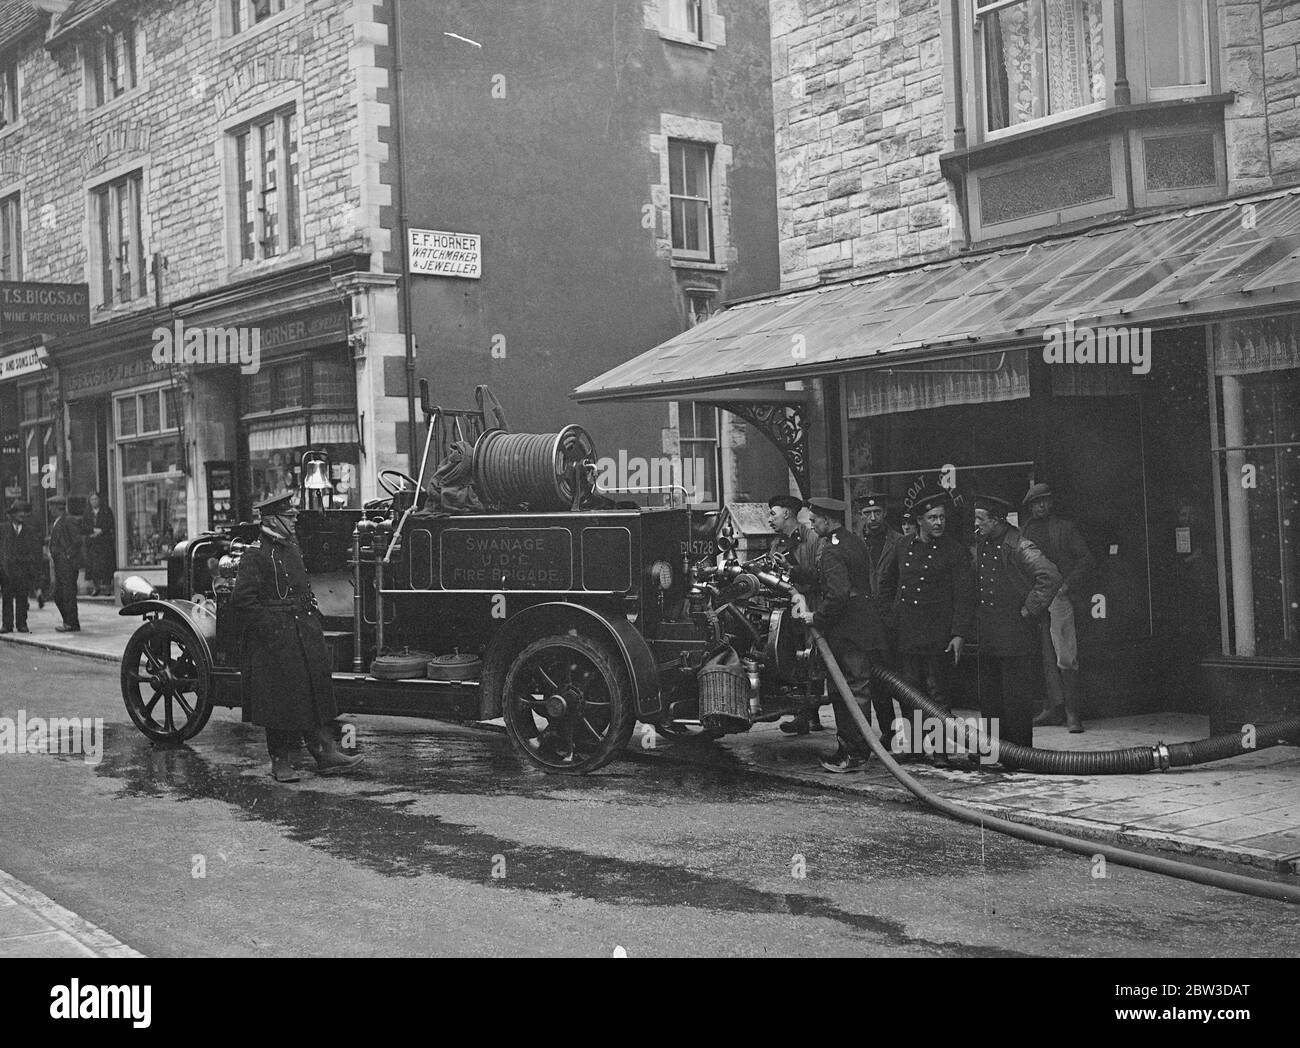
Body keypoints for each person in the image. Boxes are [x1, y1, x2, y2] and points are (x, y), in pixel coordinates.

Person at [230, 491, 363, 783]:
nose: (294, 519)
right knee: (278, 703)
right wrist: (271, 628)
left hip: (303, 632)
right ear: (272, 520)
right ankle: (281, 762)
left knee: (313, 694)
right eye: (289, 516)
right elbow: (243, 600)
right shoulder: (255, 554)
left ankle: (325, 753)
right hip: (276, 639)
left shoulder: (291, 548)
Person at [792, 497, 878, 773]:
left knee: (847, 690)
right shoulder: (854, 542)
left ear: (828, 520)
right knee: (857, 689)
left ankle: (853, 753)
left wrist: (815, 617)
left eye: (815, 521)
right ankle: (857, 750)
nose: (813, 527)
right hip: (861, 624)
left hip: (844, 629)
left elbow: (838, 594)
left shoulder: (831, 550)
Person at [971, 495, 1062, 757]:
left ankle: (1020, 755)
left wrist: (1029, 609)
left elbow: (1050, 575)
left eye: (980, 519)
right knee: (990, 698)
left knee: (1016, 699)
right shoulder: (983, 542)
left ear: (997, 520)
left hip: (1015, 634)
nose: (976, 524)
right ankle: (992, 753)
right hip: (989, 633)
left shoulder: (1021, 545)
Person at [894, 490, 975, 759]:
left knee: (937, 694)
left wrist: (958, 634)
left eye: (941, 517)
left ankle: (940, 750)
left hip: (938, 635)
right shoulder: (903, 546)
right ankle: (915, 747)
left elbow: (965, 596)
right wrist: (890, 618)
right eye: (932, 518)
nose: (939, 523)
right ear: (920, 520)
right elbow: (886, 584)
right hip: (907, 633)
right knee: (909, 693)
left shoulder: (955, 551)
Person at [1021, 483, 1095, 732]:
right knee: (1042, 655)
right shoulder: (1025, 531)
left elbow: (1086, 558)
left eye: (1044, 501)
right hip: (1035, 599)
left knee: (1065, 655)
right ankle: (1053, 708)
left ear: (1051, 503)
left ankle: (1073, 713)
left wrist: (1067, 585)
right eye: (1035, 503)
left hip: (1059, 599)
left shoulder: (1065, 528)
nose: (1040, 506)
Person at [766, 493, 826, 735]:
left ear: (787, 514)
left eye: (773, 513)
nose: (769, 519)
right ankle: (801, 713)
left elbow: (820, 572)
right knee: (792, 655)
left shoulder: (812, 538)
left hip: (810, 603)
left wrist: (792, 569)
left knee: (812, 656)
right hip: (787, 607)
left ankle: (811, 713)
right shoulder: (777, 543)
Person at [857, 493, 902, 744]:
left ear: (884, 514)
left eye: (877, 513)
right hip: (866, 622)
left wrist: (895, 612)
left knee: (903, 681)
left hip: (893, 622)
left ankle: (911, 735)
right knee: (876, 682)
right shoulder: (855, 543)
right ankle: (889, 731)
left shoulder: (899, 542)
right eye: (867, 514)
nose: (873, 518)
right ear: (861, 516)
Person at [1, 500, 42, 634]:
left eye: (23, 512)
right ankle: (7, 625)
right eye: (19, 512)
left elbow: (34, 550)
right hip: (7, 570)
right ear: (12, 515)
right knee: (7, 597)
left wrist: (30, 566)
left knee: (22, 598)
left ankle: (21, 624)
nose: (22, 515)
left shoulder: (29, 530)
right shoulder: (3, 529)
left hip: (23, 570)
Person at [46, 495, 82, 633]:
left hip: (67, 565)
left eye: (51, 506)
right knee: (59, 595)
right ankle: (69, 621)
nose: (49, 509)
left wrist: (67, 556)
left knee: (67, 594)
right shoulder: (58, 521)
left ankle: (71, 623)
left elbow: (77, 541)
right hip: (60, 564)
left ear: (58, 507)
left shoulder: (68, 520)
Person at [84, 491, 116, 597]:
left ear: (99, 500)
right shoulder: (87, 512)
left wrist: (101, 531)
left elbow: (110, 523)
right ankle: (96, 587)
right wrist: (92, 530)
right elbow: (84, 526)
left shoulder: (106, 511)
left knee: (106, 565)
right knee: (94, 566)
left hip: (104, 542)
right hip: (93, 543)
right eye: (92, 499)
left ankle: (107, 587)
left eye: (96, 499)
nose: (94, 501)